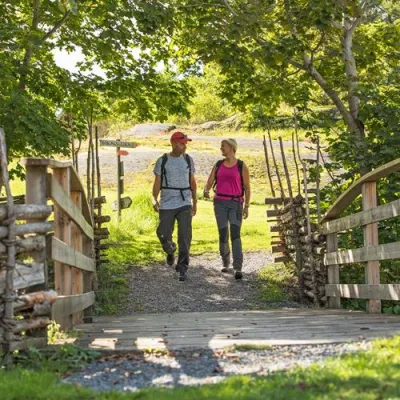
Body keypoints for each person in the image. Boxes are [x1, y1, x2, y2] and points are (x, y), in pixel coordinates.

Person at [152, 131, 197, 281]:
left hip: (184, 202)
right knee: (163, 232)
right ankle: (170, 250)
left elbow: (192, 182)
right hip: (166, 202)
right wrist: (154, 198)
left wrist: (195, 202)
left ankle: (182, 267)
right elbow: (157, 182)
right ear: (173, 143)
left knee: (184, 235)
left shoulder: (189, 160)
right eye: (182, 143)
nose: (185, 146)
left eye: (185, 143)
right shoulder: (162, 160)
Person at [203, 138, 250, 280]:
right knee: (223, 233)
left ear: (231, 147)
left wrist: (247, 205)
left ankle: (238, 267)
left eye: (223, 146)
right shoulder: (218, 164)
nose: (221, 149)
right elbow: (210, 180)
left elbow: (247, 187)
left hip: (235, 203)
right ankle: (225, 261)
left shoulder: (241, 166)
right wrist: (206, 190)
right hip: (219, 203)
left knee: (235, 234)